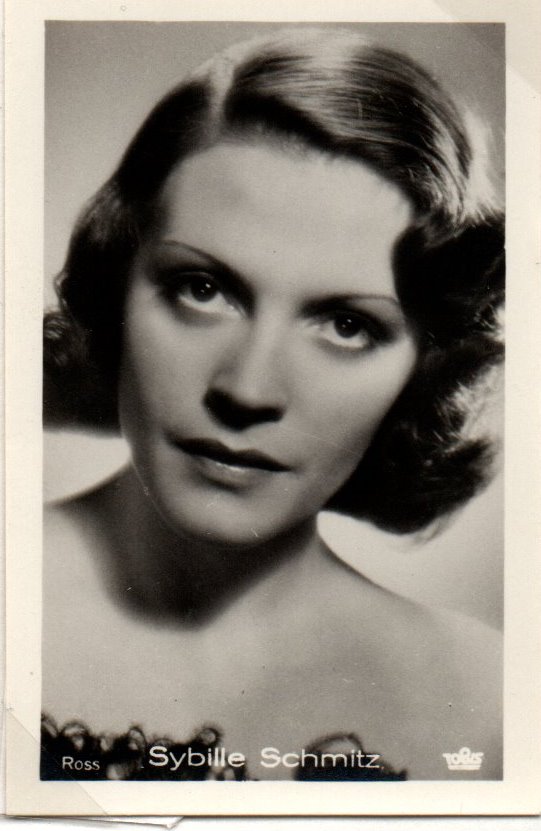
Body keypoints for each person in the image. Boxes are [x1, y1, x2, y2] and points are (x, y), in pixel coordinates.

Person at [41, 27, 504, 781]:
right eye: (202, 289)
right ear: (117, 285)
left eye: (347, 326)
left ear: (424, 369)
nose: (247, 389)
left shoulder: (487, 705)